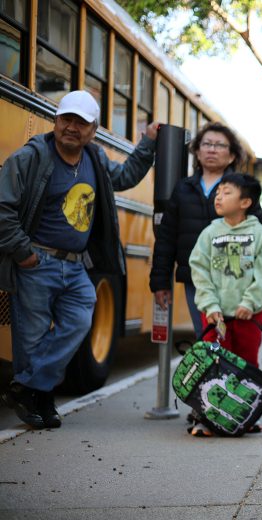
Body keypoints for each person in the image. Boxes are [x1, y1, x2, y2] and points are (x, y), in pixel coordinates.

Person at [0, 90, 160, 429]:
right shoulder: (32, 157)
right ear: (56, 121)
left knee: (79, 323)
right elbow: (3, 208)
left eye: (81, 122)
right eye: (66, 119)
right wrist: (23, 253)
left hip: (75, 265)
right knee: (32, 338)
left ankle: (26, 388)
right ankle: (41, 400)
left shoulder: (95, 158)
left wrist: (147, 144)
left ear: (94, 128)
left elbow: (126, 177)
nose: (71, 127)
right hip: (37, 260)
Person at [188, 173, 262, 437]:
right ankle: (207, 418)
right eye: (218, 192)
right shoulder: (210, 232)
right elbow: (199, 269)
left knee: (246, 364)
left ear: (245, 201)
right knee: (213, 365)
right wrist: (209, 304)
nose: (219, 196)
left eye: (227, 192)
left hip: (249, 315)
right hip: (216, 315)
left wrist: (250, 302)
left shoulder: (260, 235)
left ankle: (244, 415)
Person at [150, 122, 253, 340]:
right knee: (206, 336)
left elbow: (258, 233)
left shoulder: (243, 189)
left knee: (232, 339)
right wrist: (160, 282)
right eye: (206, 144)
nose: (212, 149)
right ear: (197, 152)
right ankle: (214, 375)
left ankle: (229, 374)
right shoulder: (183, 189)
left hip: (234, 280)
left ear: (232, 156)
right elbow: (166, 238)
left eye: (219, 145)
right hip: (195, 279)